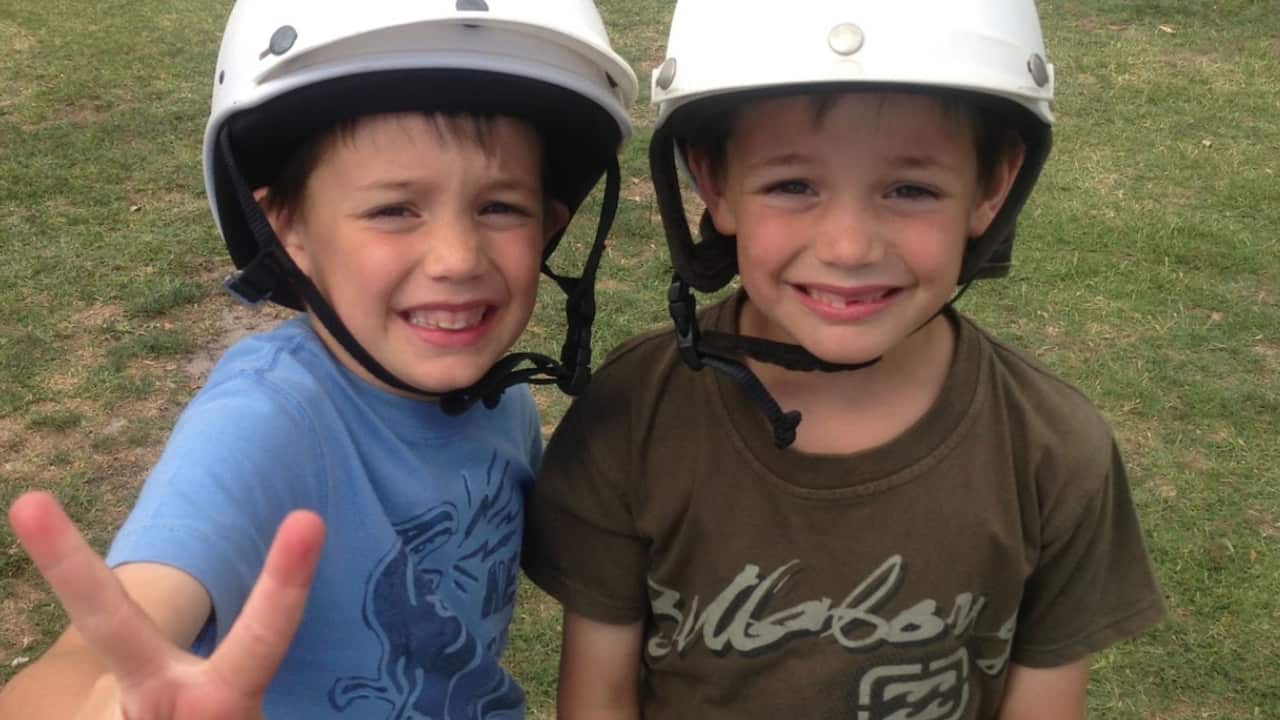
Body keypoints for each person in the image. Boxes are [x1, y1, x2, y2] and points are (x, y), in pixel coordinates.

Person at [522, 1, 1166, 718]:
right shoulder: (634, 413)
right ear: (712, 182)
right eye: (794, 185)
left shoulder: (1052, 450)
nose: (849, 247)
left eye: (910, 190)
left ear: (993, 188)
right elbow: (598, 694)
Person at [0, 1, 636, 718]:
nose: (459, 258)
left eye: (501, 207)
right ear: (289, 230)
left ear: (551, 225)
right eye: (395, 209)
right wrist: (102, 706)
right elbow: (101, 646)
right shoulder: (265, 422)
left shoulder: (504, 404)